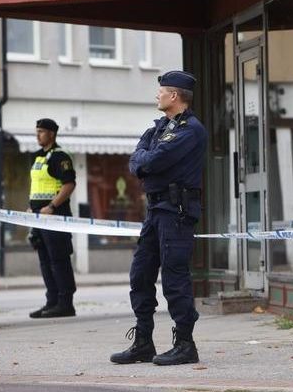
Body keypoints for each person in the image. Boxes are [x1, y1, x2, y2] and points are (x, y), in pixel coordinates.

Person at [110, 70, 208, 366]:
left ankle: (186, 344)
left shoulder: (190, 129)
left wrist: (144, 161)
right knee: (140, 275)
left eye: (161, 91)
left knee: (174, 278)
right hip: (155, 211)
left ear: (174, 96)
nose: (157, 95)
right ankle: (143, 342)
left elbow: (152, 160)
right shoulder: (160, 127)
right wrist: (143, 161)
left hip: (175, 213)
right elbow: (136, 159)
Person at [28, 118, 77, 319]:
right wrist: (31, 207)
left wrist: (52, 206)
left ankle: (65, 303)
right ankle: (52, 302)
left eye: (41, 131)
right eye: (37, 131)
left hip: (55, 216)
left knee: (59, 260)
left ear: (52, 134)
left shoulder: (60, 157)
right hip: (38, 218)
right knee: (45, 261)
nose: (38, 135)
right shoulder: (38, 157)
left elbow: (69, 184)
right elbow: (37, 187)